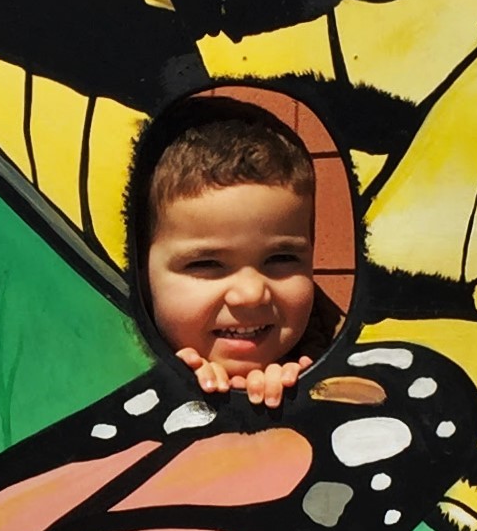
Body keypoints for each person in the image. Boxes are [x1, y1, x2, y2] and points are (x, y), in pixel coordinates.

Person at [140, 96, 334, 409]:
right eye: (206, 263)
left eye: (281, 259)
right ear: (140, 273)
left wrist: (305, 393)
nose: (251, 294)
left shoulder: (338, 355)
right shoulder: (102, 370)